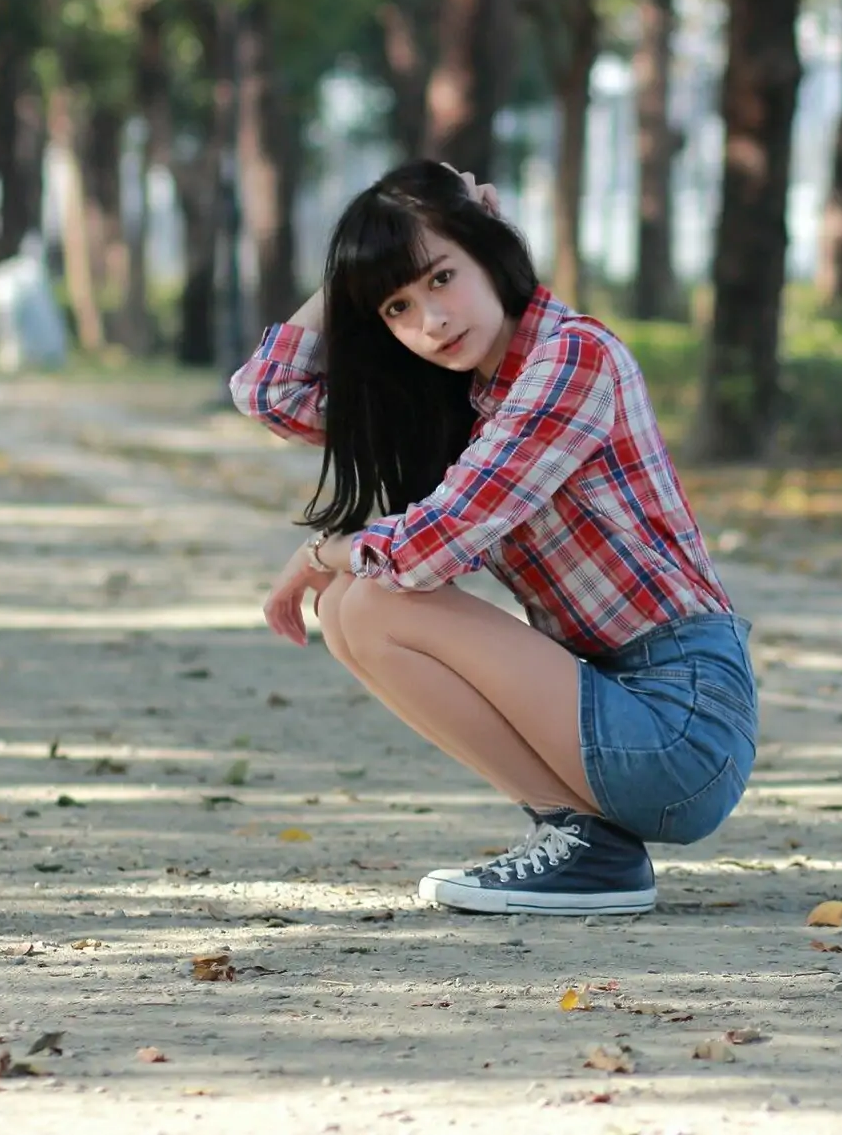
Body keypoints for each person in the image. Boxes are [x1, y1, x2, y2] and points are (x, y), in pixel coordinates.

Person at [228, 159, 755, 917]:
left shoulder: (572, 358)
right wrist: (351, 280)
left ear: (489, 246)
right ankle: (586, 844)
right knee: (353, 605)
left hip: (682, 723)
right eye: (397, 308)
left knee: (371, 597)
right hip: (608, 698)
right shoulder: (462, 395)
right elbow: (268, 391)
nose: (430, 322)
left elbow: (430, 545)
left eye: (442, 277)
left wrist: (321, 550)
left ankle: (590, 848)